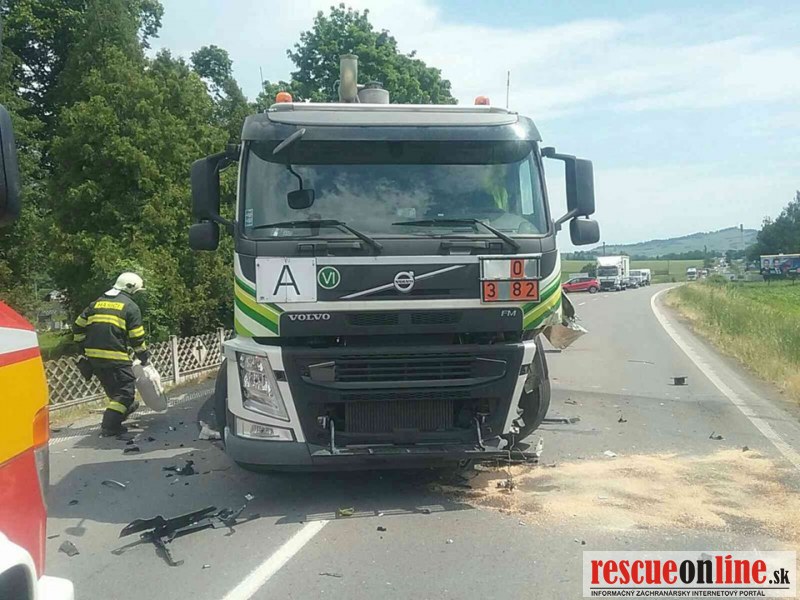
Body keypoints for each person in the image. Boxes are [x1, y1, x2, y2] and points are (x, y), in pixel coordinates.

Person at [73, 272, 149, 436]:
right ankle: (110, 425)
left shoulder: (96, 304)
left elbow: (78, 326)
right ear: (131, 288)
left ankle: (124, 410)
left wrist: (82, 349)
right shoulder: (130, 307)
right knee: (125, 393)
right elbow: (136, 338)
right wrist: (144, 357)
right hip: (115, 358)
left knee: (115, 393)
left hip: (94, 360)